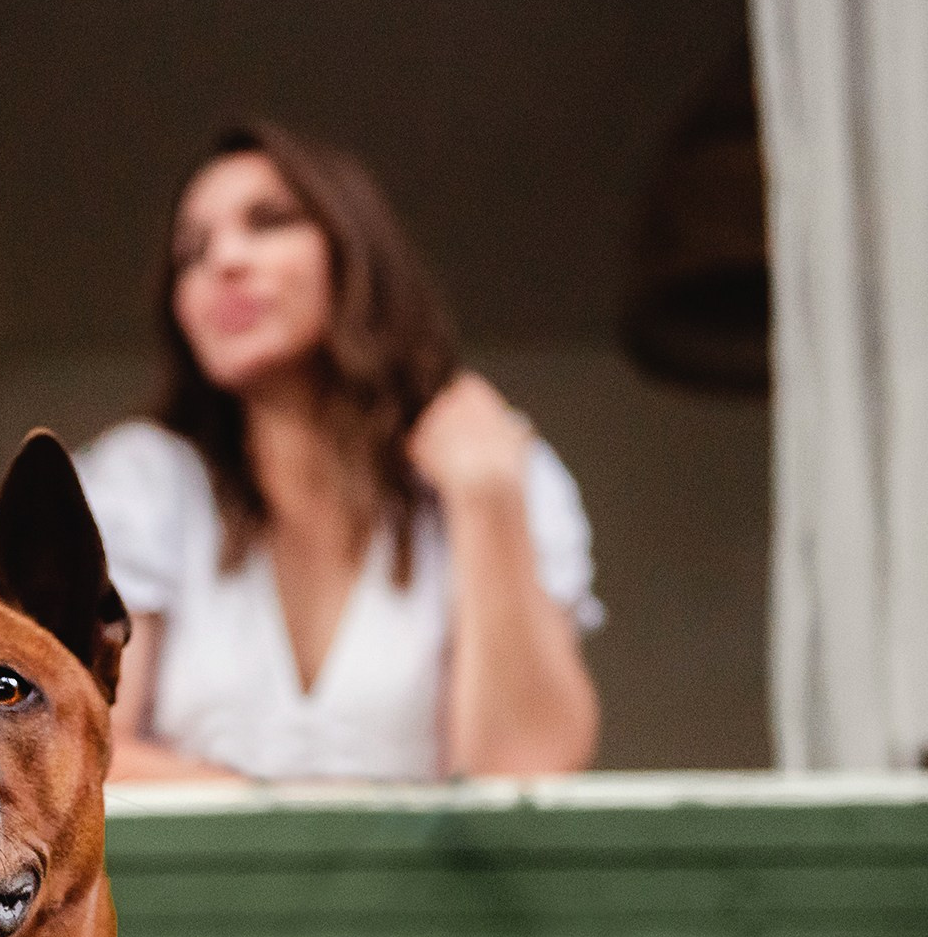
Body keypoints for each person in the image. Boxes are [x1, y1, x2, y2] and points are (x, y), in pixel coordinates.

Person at [76, 123, 602, 783]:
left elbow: (527, 769)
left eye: (269, 221)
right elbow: (76, 757)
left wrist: (487, 498)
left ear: (355, 253)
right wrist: (281, 818)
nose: (224, 261)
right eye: (192, 252)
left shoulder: (502, 470)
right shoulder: (143, 485)